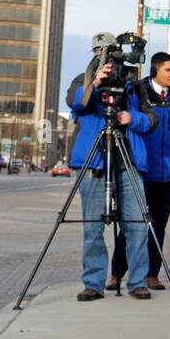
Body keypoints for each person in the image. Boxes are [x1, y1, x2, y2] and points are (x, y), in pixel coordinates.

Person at [69, 39, 158, 300]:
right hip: (94, 162)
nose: (104, 57)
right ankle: (93, 283)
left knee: (138, 224)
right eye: (99, 51)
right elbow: (76, 104)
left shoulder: (133, 86)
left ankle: (138, 281)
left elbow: (151, 119)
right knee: (93, 227)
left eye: (109, 52)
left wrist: (133, 118)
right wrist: (94, 83)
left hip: (127, 161)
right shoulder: (82, 79)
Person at [112, 52, 170, 291]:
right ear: (155, 71)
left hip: (169, 175)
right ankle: (117, 273)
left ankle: (152, 274)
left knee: (158, 226)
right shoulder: (136, 94)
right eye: (168, 70)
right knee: (132, 225)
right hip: (140, 171)